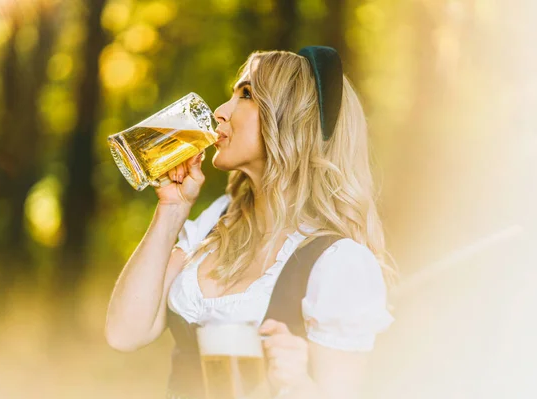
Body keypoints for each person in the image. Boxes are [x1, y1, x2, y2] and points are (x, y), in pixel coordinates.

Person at [105, 47, 396, 399]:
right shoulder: (217, 220)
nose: (219, 112)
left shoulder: (340, 263)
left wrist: (299, 385)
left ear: (290, 120)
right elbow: (124, 333)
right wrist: (172, 209)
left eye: (246, 94)